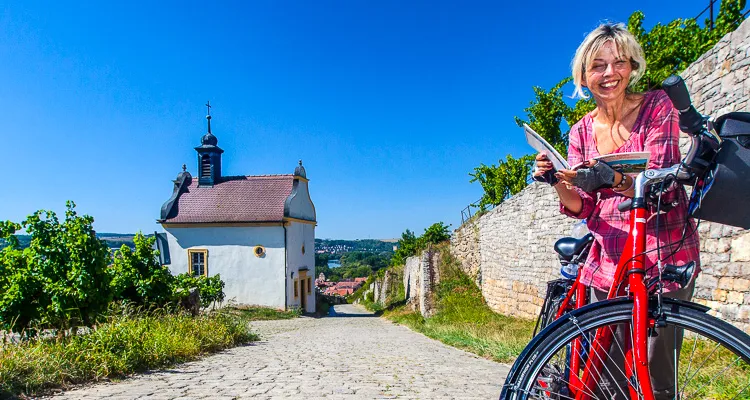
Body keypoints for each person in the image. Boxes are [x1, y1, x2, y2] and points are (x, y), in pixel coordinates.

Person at [533, 23, 700, 399]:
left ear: (632, 66)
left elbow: (663, 180)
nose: (609, 74)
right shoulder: (580, 132)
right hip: (608, 259)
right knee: (605, 380)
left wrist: (614, 180)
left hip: (663, 250)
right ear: (583, 76)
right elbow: (582, 206)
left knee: (655, 378)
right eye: (598, 66)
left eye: (619, 62)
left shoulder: (658, 106)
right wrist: (558, 181)